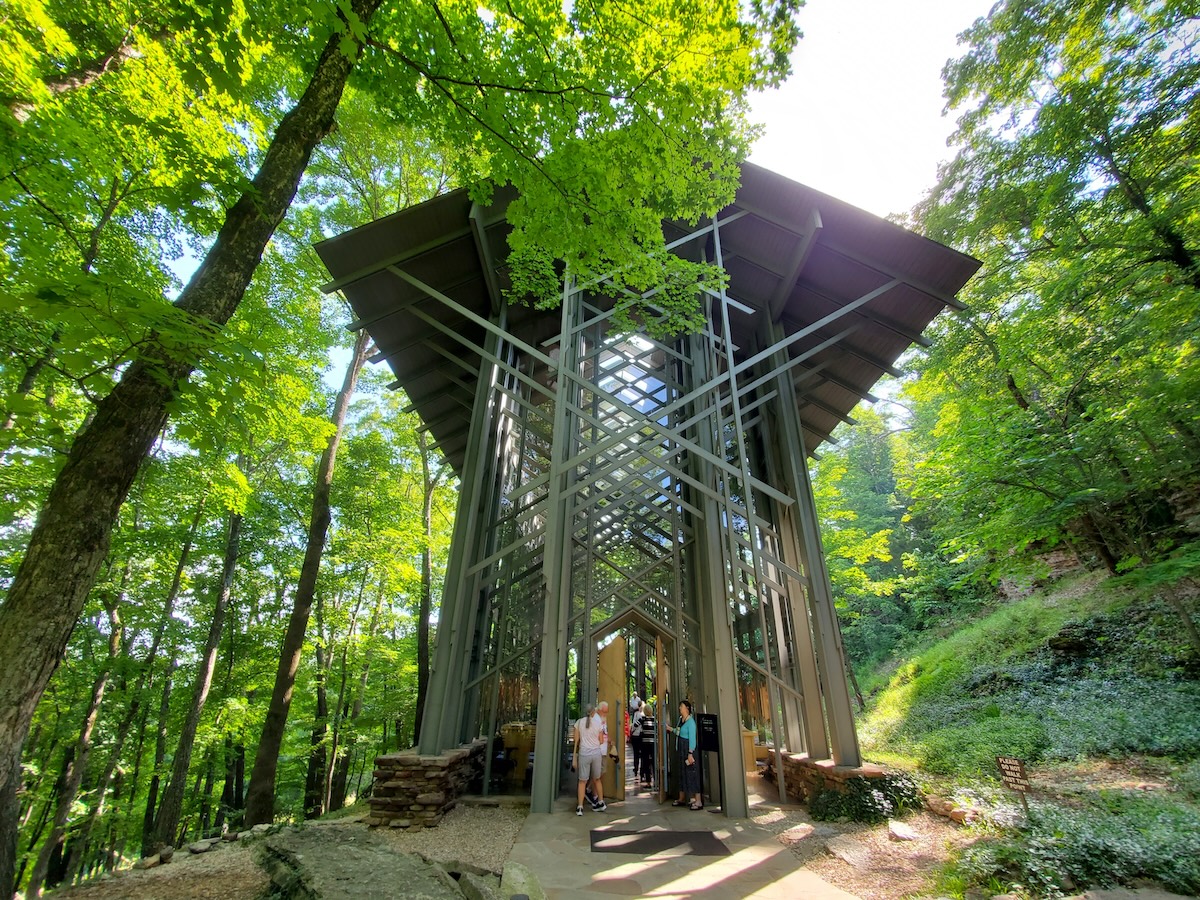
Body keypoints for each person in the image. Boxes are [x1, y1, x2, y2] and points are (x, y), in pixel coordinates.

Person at [572, 702, 609, 815]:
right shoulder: (598, 724)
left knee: (582, 781)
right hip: (596, 754)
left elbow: (576, 740)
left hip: (584, 754)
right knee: (597, 779)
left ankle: (580, 807)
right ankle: (601, 802)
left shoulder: (579, 723)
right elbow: (602, 741)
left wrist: (574, 755)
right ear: (594, 712)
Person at [665, 699, 701, 809]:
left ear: (687, 708)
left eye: (681, 706)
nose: (679, 708)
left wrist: (690, 753)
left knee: (692, 774)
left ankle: (698, 801)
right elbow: (679, 731)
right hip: (681, 749)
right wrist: (670, 729)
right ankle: (682, 798)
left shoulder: (691, 723)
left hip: (688, 750)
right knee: (682, 773)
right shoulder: (681, 720)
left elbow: (692, 739)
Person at [629, 697, 645, 782]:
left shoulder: (636, 714)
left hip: (635, 735)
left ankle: (636, 769)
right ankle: (642, 772)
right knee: (642, 754)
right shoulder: (645, 714)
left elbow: (634, 725)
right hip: (642, 736)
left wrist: (632, 730)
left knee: (636, 753)